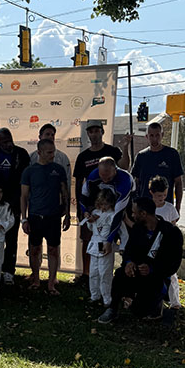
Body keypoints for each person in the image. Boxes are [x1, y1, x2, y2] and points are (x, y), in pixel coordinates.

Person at [98, 196, 183, 323]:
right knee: (120, 274)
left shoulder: (171, 232)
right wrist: (128, 263)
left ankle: (156, 304)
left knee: (140, 312)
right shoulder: (138, 229)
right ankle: (112, 308)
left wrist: (152, 269)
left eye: (134, 212)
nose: (132, 215)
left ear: (143, 214)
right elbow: (129, 251)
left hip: (156, 277)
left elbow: (173, 263)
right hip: (136, 272)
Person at [74, 120, 123, 285]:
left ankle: (105, 274)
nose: (94, 134)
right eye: (91, 131)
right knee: (88, 239)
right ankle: (87, 274)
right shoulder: (83, 156)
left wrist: (126, 148)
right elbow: (79, 183)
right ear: (88, 134)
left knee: (107, 238)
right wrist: (82, 208)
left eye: (97, 131)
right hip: (91, 205)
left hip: (110, 206)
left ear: (102, 132)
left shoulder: (112, 151)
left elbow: (124, 168)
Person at [21, 138, 70, 295]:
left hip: (53, 217)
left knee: (53, 250)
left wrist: (68, 214)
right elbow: (24, 196)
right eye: (49, 152)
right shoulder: (29, 171)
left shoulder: (58, 169)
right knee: (34, 249)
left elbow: (65, 193)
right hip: (35, 217)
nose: (52, 155)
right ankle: (36, 280)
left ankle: (51, 283)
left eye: (53, 152)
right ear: (39, 152)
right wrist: (24, 218)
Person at [0, 127, 30, 284]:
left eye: (10, 141)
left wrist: (18, 202)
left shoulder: (21, 154)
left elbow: (25, 181)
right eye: (4, 142)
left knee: (11, 238)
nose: (8, 144)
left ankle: (9, 271)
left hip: (14, 203)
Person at [123, 121, 184, 212]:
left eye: (157, 135)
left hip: (164, 207)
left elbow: (178, 182)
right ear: (146, 137)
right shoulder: (141, 156)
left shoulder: (172, 154)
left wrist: (178, 207)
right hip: (144, 207)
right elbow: (136, 182)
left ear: (162, 135)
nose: (154, 139)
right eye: (151, 135)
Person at [81, 156, 133, 255]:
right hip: (99, 240)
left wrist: (110, 242)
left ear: (115, 170)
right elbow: (83, 196)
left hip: (124, 207)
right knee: (99, 257)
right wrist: (86, 213)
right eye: (102, 176)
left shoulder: (125, 180)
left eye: (108, 177)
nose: (105, 180)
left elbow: (119, 217)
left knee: (107, 259)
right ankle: (100, 255)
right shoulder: (93, 176)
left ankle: (125, 255)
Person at [149, 175, 181, 309]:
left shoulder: (169, 208)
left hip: (166, 245)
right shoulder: (148, 207)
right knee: (152, 273)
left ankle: (175, 301)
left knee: (171, 274)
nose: (161, 198)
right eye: (158, 196)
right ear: (151, 193)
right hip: (151, 245)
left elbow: (173, 226)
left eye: (164, 195)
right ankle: (154, 300)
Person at [82, 189, 117, 307]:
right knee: (93, 272)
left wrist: (122, 245)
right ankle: (94, 295)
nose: (103, 207)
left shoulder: (113, 215)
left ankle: (107, 299)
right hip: (94, 243)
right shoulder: (95, 212)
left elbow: (119, 230)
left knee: (104, 273)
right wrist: (90, 220)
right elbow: (91, 228)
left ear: (111, 203)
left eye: (106, 204)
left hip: (105, 243)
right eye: (101, 204)